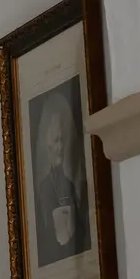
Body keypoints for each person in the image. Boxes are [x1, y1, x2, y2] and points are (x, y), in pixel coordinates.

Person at [29, 86, 90, 267]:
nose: (61, 147)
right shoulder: (46, 188)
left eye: (62, 140)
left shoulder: (69, 184)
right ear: (47, 144)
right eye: (56, 140)